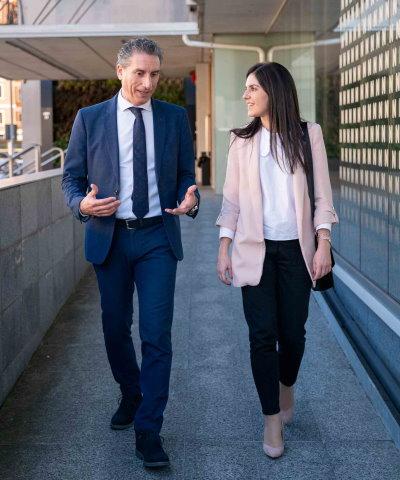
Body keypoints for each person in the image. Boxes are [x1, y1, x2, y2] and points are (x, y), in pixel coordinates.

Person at [62, 38, 199, 469]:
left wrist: (190, 199)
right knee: (114, 327)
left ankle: (148, 430)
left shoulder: (175, 118)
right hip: (111, 238)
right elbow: (70, 179)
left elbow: (183, 178)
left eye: (155, 74)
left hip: (158, 236)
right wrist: (81, 205)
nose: (148, 82)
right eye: (139, 73)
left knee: (157, 335)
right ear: (120, 71)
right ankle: (130, 390)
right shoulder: (90, 118)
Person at [216, 62, 338, 459]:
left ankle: (286, 385)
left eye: (253, 88)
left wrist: (323, 243)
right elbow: (231, 201)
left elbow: (322, 197)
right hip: (256, 250)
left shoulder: (309, 135)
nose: (246, 95)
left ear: (274, 90)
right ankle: (271, 419)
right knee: (261, 336)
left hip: (296, 251)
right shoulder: (241, 141)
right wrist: (223, 248)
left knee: (294, 334)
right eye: (246, 88)